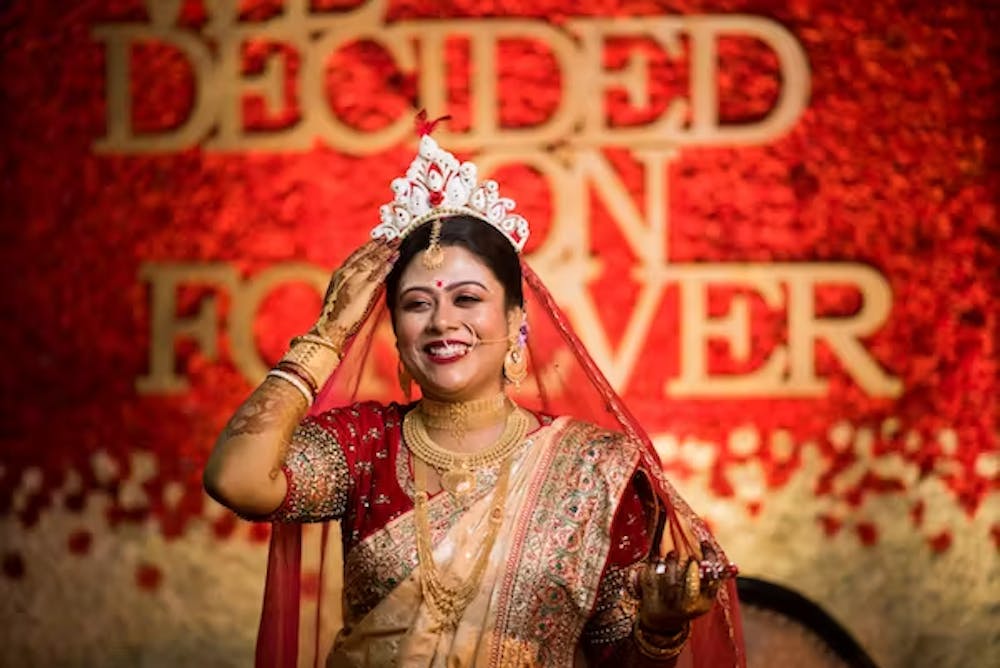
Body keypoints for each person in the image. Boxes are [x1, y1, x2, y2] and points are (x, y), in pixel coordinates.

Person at [203, 126, 744, 667]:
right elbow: (237, 479)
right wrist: (327, 335)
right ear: (394, 328)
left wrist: (660, 629)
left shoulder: (594, 471)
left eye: (468, 299)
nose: (443, 322)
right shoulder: (365, 444)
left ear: (516, 322)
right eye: (416, 305)